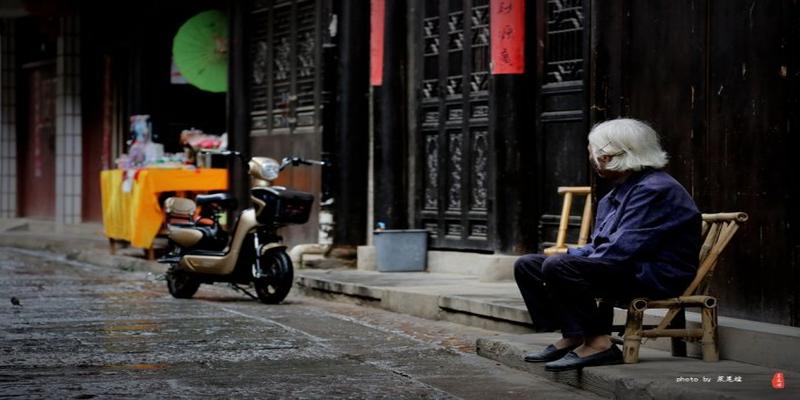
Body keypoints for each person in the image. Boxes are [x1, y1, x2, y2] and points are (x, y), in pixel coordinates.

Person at [514, 118, 701, 372]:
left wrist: (568, 263)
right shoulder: (619, 191)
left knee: (559, 266)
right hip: (627, 267)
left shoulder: (654, 189)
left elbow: (621, 251)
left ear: (618, 156)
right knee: (528, 265)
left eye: (599, 154)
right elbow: (601, 245)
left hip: (653, 275)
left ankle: (599, 344)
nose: (595, 160)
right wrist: (572, 255)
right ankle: (575, 335)